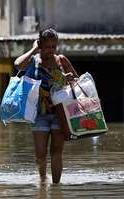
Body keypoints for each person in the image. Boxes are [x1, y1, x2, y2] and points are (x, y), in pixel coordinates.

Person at [14, 28, 78, 184]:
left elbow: (77, 80)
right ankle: (43, 180)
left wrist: (70, 79)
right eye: (47, 46)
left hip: (60, 113)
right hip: (39, 114)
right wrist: (34, 49)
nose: (51, 50)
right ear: (40, 45)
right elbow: (17, 64)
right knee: (40, 154)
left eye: (54, 47)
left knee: (57, 152)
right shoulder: (33, 61)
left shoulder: (61, 61)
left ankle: (56, 187)